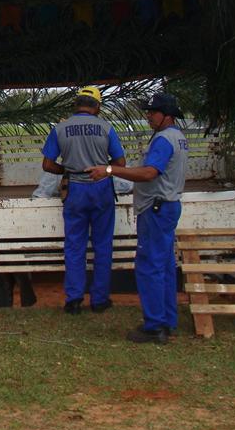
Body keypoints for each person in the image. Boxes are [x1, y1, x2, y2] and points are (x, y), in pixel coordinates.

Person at [87, 92, 188, 344]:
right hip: (167, 206)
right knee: (164, 266)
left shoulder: (164, 140)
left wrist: (110, 170)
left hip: (156, 209)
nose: (148, 116)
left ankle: (154, 326)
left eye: (152, 112)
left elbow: (149, 173)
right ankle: (167, 320)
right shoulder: (178, 137)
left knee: (149, 267)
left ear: (167, 115)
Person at [41, 86, 126, 315]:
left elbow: (47, 165)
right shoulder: (106, 128)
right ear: (97, 107)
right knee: (102, 245)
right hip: (101, 189)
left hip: (75, 190)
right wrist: (103, 169)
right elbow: (120, 164)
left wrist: (68, 170)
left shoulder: (60, 129)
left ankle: (74, 300)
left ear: (76, 105)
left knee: (74, 245)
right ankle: (99, 300)